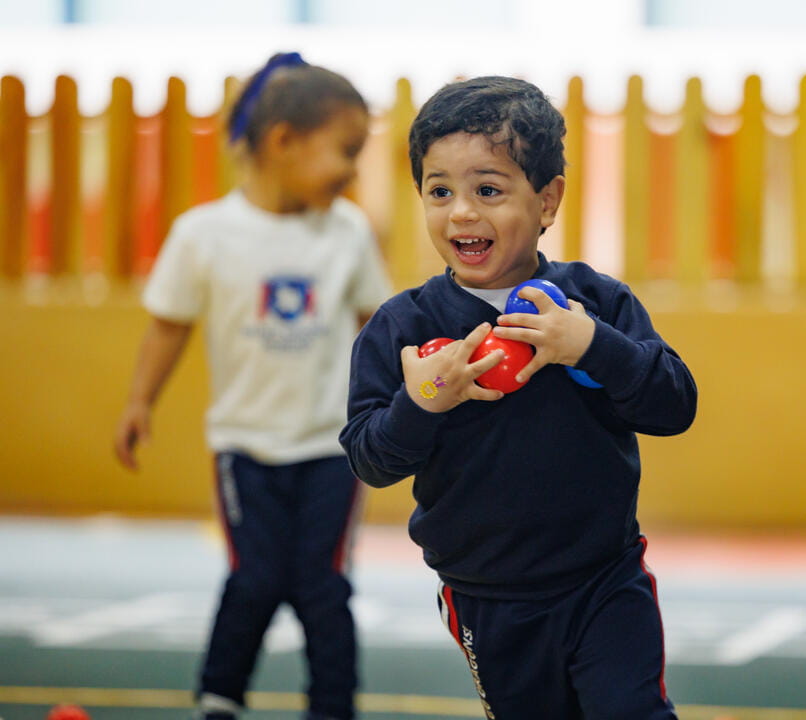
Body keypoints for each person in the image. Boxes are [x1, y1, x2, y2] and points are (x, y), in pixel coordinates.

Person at [339, 76, 697, 720]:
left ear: (547, 200)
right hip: (486, 595)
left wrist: (593, 346)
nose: (462, 214)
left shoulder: (598, 305)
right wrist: (422, 403)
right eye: (439, 191)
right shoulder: (402, 327)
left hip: (603, 578)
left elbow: (674, 407)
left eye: (489, 190)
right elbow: (369, 458)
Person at [113, 52, 392, 720]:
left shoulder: (346, 233)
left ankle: (332, 706)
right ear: (282, 143)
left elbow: (376, 326)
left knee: (323, 586)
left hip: (330, 447)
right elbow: (169, 326)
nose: (354, 170)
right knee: (256, 579)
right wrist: (138, 401)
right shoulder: (204, 235)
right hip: (245, 446)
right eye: (345, 152)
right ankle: (219, 697)